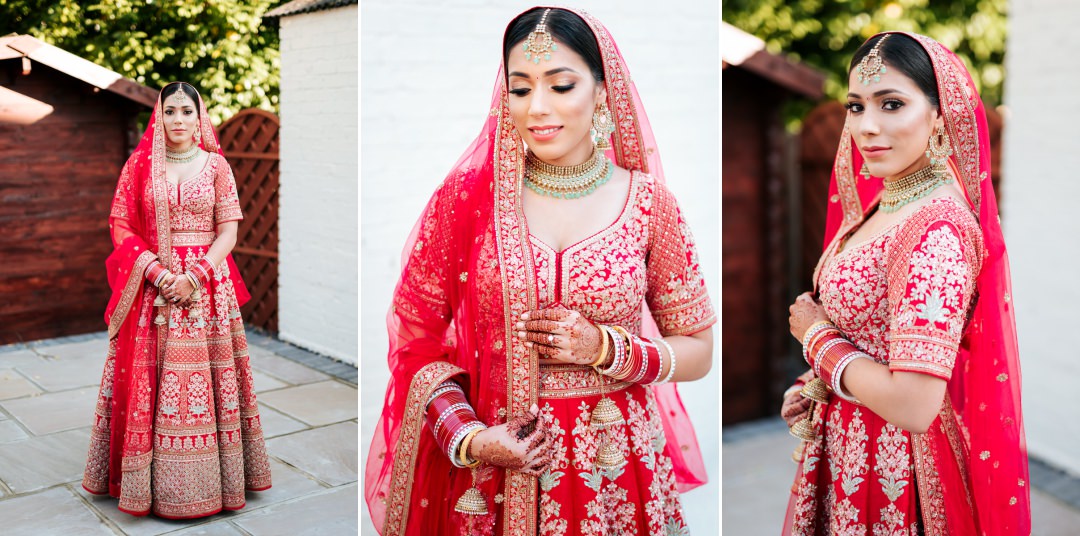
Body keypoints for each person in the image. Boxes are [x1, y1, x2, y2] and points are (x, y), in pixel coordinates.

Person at [364, 6, 716, 535]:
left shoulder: (649, 204)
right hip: (493, 467)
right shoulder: (466, 202)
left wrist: (603, 347)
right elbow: (415, 340)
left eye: (561, 84)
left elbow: (698, 350)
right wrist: (469, 437)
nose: (538, 108)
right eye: (522, 88)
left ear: (601, 89)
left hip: (613, 468)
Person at [781, 32, 1029, 534]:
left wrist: (816, 341)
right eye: (856, 106)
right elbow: (875, 335)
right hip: (851, 451)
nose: (866, 126)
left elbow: (915, 405)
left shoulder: (935, 229)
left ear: (941, 114)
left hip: (899, 475)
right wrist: (821, 381)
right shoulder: (886, 203)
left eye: (891, 103)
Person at [82, 82, 272, 519]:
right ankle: (149, 486)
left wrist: (194, 276)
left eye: (187, 111)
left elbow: (229, 232)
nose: (179, 120)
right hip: (156, 288)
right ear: (159, 116)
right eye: (171, 112)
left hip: (206, 290)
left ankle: (213, 483)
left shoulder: (218, 166)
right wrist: (159, 273)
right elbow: (121, 227)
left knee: (207, 385)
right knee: (155, 384)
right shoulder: (140, 167)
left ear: (199, 115)